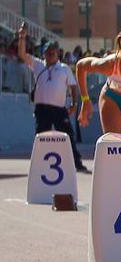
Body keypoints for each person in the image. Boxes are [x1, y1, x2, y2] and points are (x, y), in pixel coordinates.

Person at [16, 25, 88, 173]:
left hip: (59, 109)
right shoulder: (37, 65)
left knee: (68, 136)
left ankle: (76, 162)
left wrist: (74, 103)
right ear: (44, 54)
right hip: (42, 109)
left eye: (53, 53)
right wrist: (22, 37)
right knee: (41, 137)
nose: (51, 55)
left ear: (57, 54)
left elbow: (73, 86)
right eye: (48, 53)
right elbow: (22, 54)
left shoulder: (64, 68)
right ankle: (39, 166)